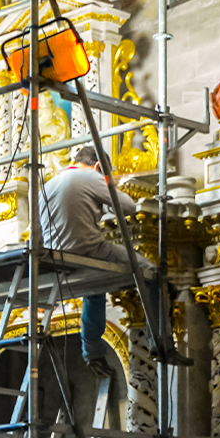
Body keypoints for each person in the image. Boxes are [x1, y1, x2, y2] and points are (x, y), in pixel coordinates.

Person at [40, 145, 184, 370]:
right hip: (89, 250)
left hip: (57, 261)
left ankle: (92, 354)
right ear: (98, 166)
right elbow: (128, 207)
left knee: (94, 290)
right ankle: (161, 344)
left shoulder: (47, 186)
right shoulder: (90, 176)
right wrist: (107, 185)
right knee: (152, 273)